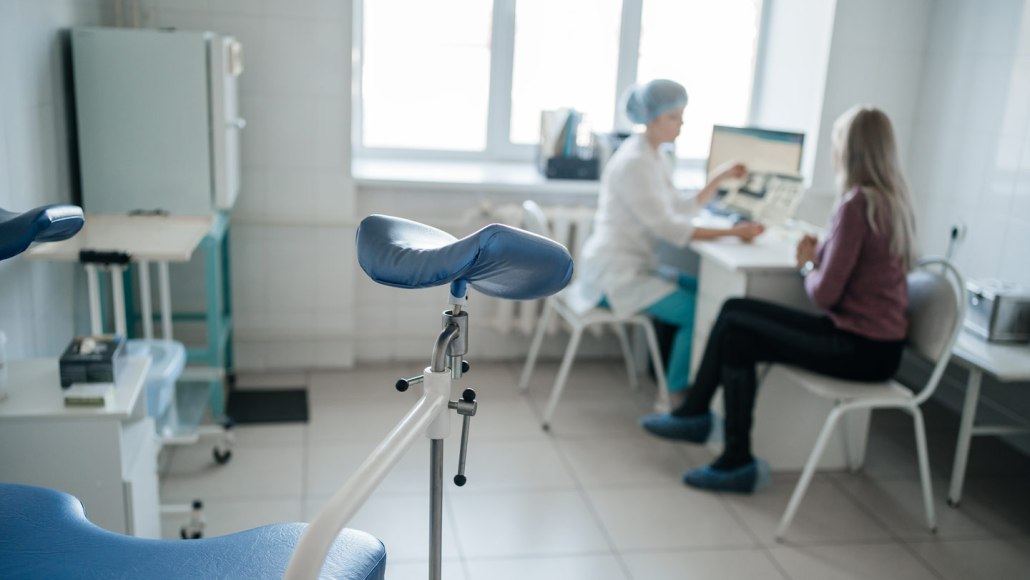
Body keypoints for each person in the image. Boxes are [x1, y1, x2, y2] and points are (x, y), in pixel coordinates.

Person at [640, 105, 919, 493]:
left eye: (837, 144)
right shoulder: (892, 202)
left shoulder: (856, 204)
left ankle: (713, 432)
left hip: (857, 347)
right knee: (735, 314)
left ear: (848, 151)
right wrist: (823, 252)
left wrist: (808, 264)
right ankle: (705, 424)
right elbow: (863, 269)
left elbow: (824, 294)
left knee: (737, 326)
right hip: (879, 347)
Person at [569, 79, 764, 403]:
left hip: (637, 266)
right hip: (615, 276)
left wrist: (718, 177)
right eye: (675, 116)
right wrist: (735, 232)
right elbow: (670, 228)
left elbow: (678, 207)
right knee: (696, 311)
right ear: (652, 118)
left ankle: (681, 388)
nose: (682, 124)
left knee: (704, 292)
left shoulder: (655, 155)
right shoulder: (634, 163)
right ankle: (672, 397)